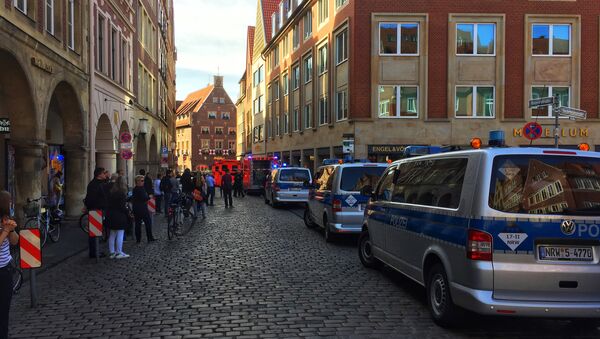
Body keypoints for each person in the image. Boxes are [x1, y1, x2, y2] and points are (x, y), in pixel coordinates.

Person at [0, 191, 19, 339]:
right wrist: (5, 231)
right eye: (10, 201)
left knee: (4, 312)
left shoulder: (5, 219)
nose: (12, 203)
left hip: (5, 270)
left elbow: (14, 241)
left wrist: (11, 230)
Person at [84, 167, 108, 258]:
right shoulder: (94, 185)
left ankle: (96, 251)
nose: (105, 175)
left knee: (97, 232)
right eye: (103, 173)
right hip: (95, 210)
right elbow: (91, 198)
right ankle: (94, 252)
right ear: (99, 174)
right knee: (94, 233)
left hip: (99, 209)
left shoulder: (100, 183)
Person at [105, 176, 130, 259]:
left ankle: (112, 252)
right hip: (119, 215)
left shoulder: (112, 192)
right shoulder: (121, 193)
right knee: (120, 233)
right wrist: (127, 212)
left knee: (112, 234)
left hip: (111, 214)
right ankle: (119, 252)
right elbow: (122, 207)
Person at [130, 175, 156, 243]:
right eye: (142, 181)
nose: (143, 182)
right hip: (142, 208)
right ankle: (149, 237)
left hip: (136, 208)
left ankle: (138, 239)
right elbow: (144, 198)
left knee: (138, 224)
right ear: (137, 181)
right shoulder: (140, 188)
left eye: (143, 180)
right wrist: (149, 197)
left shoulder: (135, 188)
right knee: (147, 222)